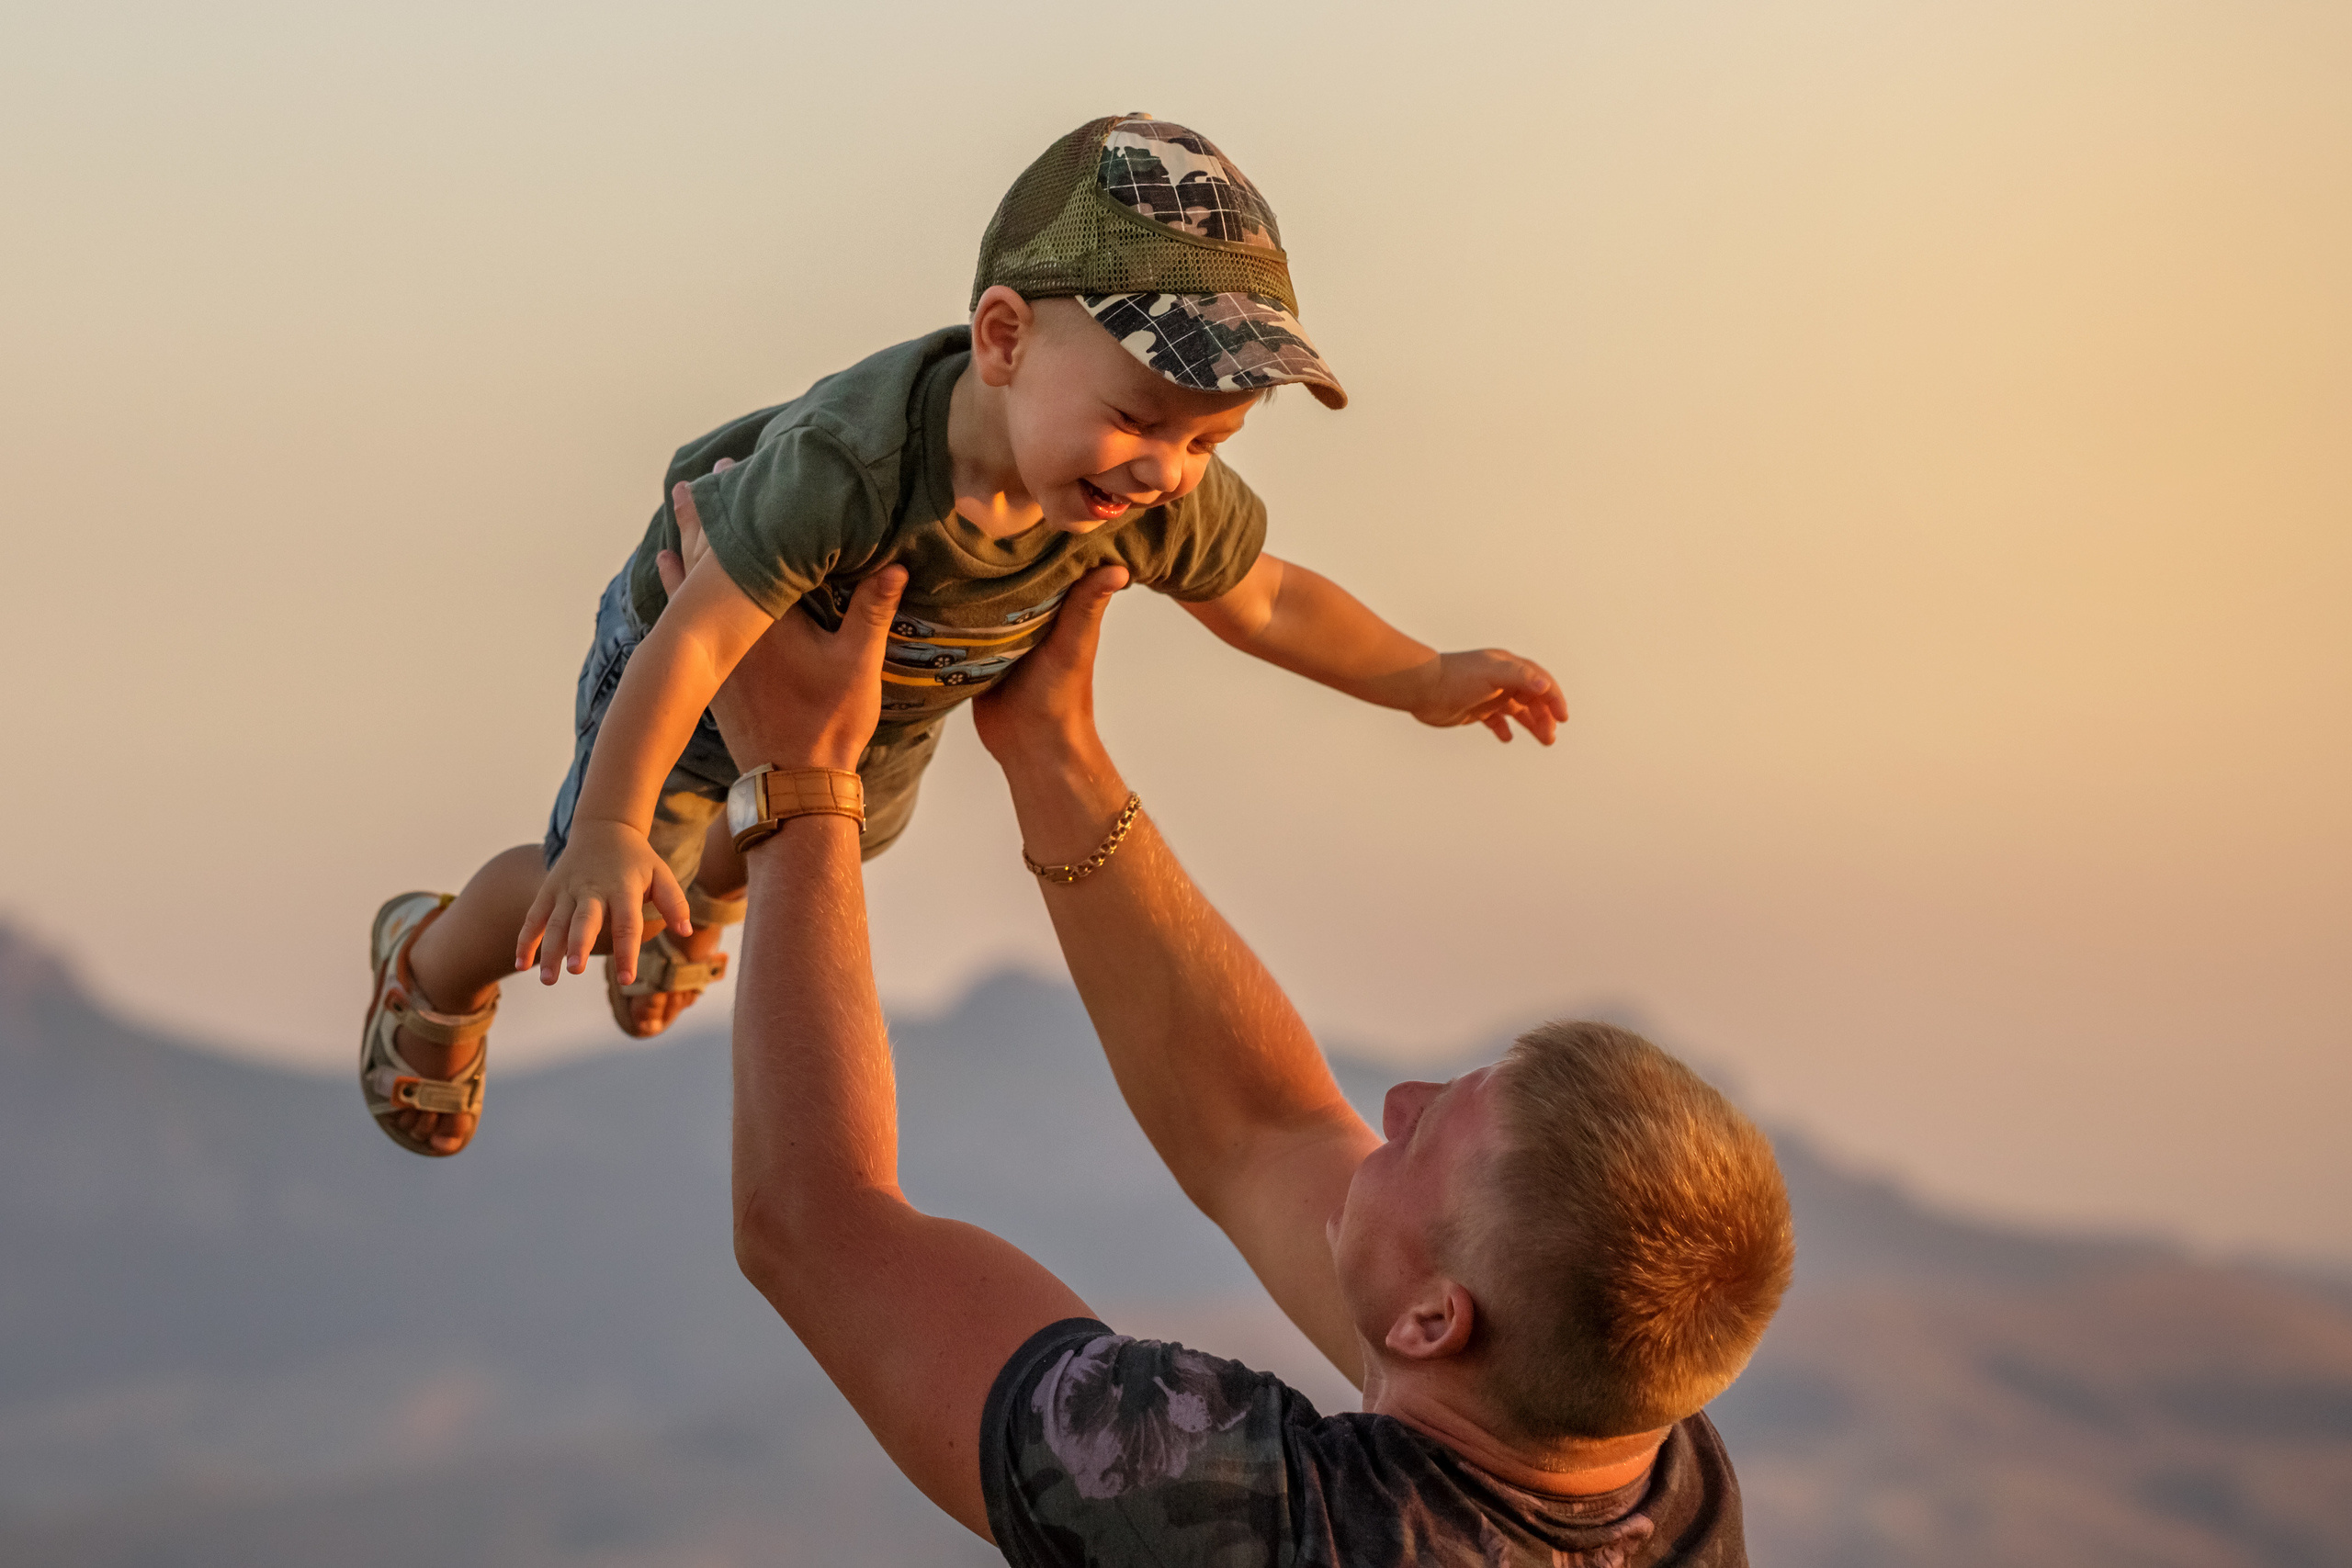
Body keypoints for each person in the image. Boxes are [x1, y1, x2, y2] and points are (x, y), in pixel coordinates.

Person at [357, 112, 1567, 1157]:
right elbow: (696, 634)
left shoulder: (1147, 495)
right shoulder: (851, 465)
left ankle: (693, 901)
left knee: (791, 851)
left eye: (1208, 443)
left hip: (882, 710)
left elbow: (1266, 595)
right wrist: (614, 831)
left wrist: (1422, 676)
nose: (1167, 470)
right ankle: (433, 958)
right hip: (696, 669)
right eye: (1139, 418)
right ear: (1002, 339)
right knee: (608, 878)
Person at [692, 520, 1795, 1563]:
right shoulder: (1648, 1472)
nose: (1395, 1101)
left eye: (1422, 1140)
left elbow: (813, 1224)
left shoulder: (1258, 1527)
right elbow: (1261, 1133)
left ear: (1431, 1321)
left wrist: (798, 790)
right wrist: (1052, 750)